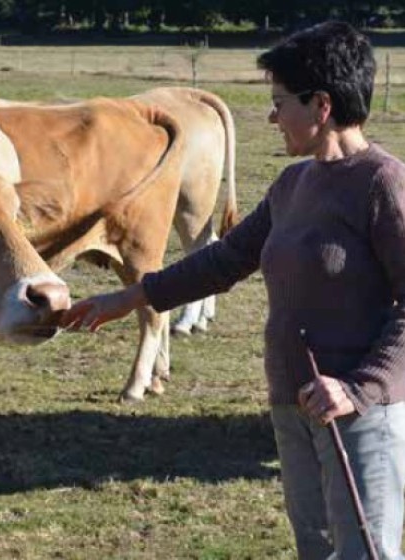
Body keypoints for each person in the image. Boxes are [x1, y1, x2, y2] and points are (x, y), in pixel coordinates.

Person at [60, 21, 405, 560]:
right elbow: (224, 261)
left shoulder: (382, 183)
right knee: (313, 550)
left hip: (359, 415)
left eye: (280, 102)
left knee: (365, 553)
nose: (271, 116)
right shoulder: (293, 184)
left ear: (321, 105)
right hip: (293, 405)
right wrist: (130, 297)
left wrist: (360, 389)